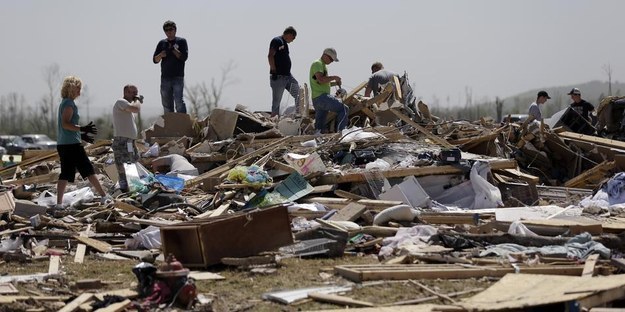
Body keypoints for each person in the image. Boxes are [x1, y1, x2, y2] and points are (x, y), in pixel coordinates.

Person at [56, 76, 111, 209]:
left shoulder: (64, 102)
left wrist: (81, 135)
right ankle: (104, 197)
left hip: (64, 144)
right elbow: (65, 124)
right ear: (71, 88)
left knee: (65, 173)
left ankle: (59, 204)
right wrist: (82, 128)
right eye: (78, 89)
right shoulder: (69, 104)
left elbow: (68, 127)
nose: (80, 92)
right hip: (72, 145)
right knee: (88, 170)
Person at [153, 20, 189, 114]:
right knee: (166, 104)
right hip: (165, 77)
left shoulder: (181, 41)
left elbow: (184, 57)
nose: (169, 32)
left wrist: (173, 49)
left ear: (175, 30)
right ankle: (170, 125)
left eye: (171, 29)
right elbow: (155, 60)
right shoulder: (162, 43)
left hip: (178, 77)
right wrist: (161, 55)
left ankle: (182, 123)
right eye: (166, 30)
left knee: (179, 102)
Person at [309, 48, 348, 133]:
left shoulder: (322, 65)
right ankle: (342, 132)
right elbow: (321, 80)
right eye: (331, 59)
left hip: (317, 98)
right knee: (343, 109)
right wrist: (334, 77)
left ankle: (318, 138)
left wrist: (335, 83)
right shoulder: (318, 63)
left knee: (320, 125)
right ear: (326, 56)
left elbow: (322, 83)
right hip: (321, 97)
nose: (331, 62)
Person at [112, 84, 142, 193]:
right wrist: (138, 100)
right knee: (123, 166)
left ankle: (133, 187)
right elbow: (136, 108)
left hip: (129, 141)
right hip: (122, 141)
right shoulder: (121, 102)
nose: (135, 95)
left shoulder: (127, 105)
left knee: (133, 162)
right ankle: (124, 188)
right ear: (126, 92)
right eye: (133, 92)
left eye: (136, 92)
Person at [268, 26, 300, 117]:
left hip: (287, 76)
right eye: (293, 37)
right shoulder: (277, 40)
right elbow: (270, 55)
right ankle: (274, 120)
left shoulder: (285, 44)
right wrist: (273, 70)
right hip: (278, 76)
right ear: (289, 34)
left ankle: (299, 115)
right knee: (276, 102)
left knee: (299, 93)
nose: (293, 40)